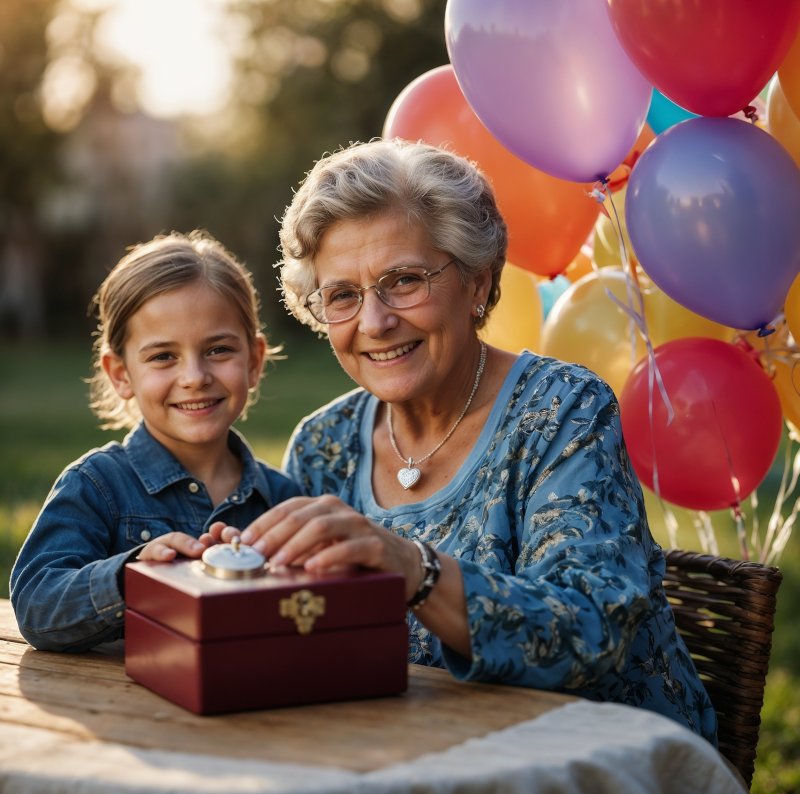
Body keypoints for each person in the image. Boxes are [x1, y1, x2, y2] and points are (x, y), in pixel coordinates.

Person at [210, 139, 717, 744]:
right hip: (415, 761)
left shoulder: (563, 411)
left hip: (599, 764)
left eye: (403, 281)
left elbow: (591, 634)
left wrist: (411, 568)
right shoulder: (326, 444)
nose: (374, 322)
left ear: (478, 283)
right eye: (342, 295)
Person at [10, 231, 302, 652]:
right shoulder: (97, 485)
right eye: (163, 356)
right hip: (120, 707)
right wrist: (134, 577)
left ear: (254, 362)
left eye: (218, 349)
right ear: (121, 374)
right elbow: (38, 606)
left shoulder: (282, 500)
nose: (194, 377)